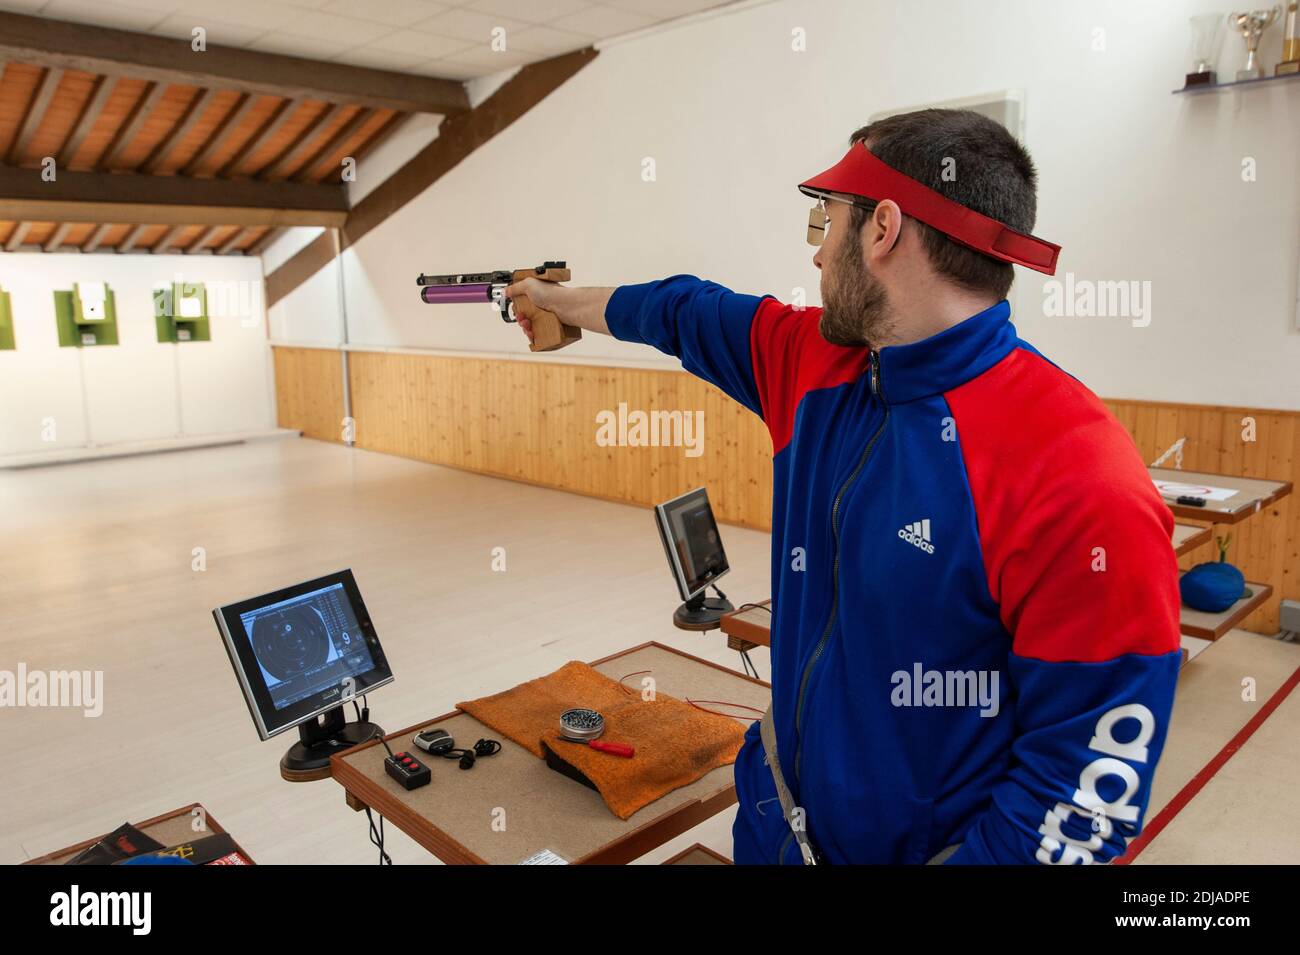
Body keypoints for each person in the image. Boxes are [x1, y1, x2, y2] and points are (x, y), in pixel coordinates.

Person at [505, 108, 1181, 865]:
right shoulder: (814, 361)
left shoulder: (1079, 475)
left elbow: (1082, 794)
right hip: (775, 828)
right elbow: (679, 308)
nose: (818, 256)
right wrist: (555, 302)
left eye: (826, 222)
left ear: (883, 228)